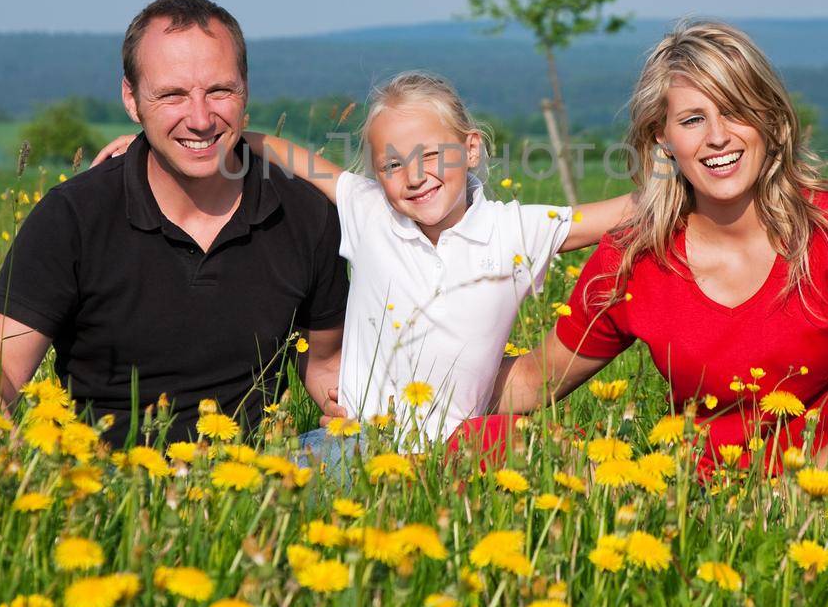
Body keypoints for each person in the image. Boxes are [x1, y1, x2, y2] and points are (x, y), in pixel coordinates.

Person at [490, 19, 828, 500]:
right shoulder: (633, 253)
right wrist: (425, 386)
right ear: (664, 140)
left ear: (771, 120)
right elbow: (536, 380)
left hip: (823, 494)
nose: (718, 136)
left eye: (736, 111)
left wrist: (771, 506)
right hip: (687, 498)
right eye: (693, 119)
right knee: (500, 448)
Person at [98, 70, 632, 462]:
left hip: (453, 451)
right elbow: (288, 154)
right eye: (392, 165)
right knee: (244, 491)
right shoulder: (371, 211)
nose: (414, 176)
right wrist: (158, 150)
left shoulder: (514, 229)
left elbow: (614, 214)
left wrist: (690, 176)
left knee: (542, 458)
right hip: (352, 441)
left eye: (430, 156)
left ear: (470, 150)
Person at [0, 0, 348, 447]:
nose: (200, 119)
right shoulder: (73, 217)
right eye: (172, 95)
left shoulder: (307, 214)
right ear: (132, 99)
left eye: (220, 91)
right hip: (104, 475)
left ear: (246, 91)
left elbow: (324, 363)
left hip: (258, 472)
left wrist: (361, 409)